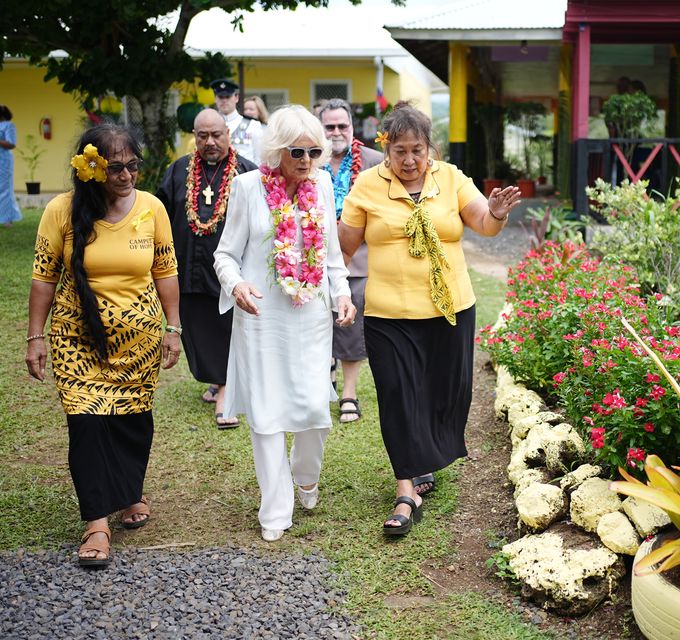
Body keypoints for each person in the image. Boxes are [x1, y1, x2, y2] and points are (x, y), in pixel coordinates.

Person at [338, 102, 521, 536]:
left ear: (429, 147)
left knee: (445, 392)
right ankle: (406, 490)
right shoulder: (367, 185)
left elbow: (483, 222)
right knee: (397, 394)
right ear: (386, 149)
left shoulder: (451, 177)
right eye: (399, 151)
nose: (408, 160)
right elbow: (343, 247)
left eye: (416, 150)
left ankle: (424, 459)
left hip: (449, 309)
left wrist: (495, 211)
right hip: (388, 313)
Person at [25, 124, 181, 567]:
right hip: (77, 338)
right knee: (87, 424)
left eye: (133, 165)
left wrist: (174, 328)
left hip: (139, 339)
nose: (126, 175)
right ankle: (96, 522)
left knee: (132, 421)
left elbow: (165, 272)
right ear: (91, 167)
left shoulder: (151, 208)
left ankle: (130, 492)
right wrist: (35, 337)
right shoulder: (61, 210)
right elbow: (43, 278)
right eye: (115, 167)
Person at [214, 105, 356, 542]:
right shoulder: (246, 187)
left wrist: (343, 295)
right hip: (260, 318)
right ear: (277, 150)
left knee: (316, 410)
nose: (308, 160)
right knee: (267, 413)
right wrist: (236, 285)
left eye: (316, 151)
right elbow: (224, 255)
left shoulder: (324, 188)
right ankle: (275, 508)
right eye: (299, 151)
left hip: (309, 317)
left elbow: (332, 259)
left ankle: (305, 474)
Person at [156, 109, 258, 428]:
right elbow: (160, 213)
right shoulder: (179, 171)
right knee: (198, 328)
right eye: (203, 136)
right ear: (195, 136)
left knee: (228, 328)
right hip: (189, 268)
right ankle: (218, 380)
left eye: (216, 135)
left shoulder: (247, 172)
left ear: (228, 133)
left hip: (231, 272)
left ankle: (226, 391)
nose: (210, 142)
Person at [318, 98, 383, 424]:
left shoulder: (374, 162)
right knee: (317, 319)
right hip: (312, 258)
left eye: (342, 126)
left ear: (352, 128)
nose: (336, 132)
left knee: (352, 324)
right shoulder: (307, 159)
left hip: (358, 257)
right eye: (329, 127)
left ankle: (350, 392)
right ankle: (322, 375)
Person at [211, 78, 262, 165]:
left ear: (236, 98)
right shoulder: (210, 125)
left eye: (228, 96)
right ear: (215, 98)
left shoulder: (252, 125)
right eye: (220, 97)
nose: (224, 100)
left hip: (245, 175)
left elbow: (259, 158)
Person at [0, 105, 23, 227]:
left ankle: (7, 220)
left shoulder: (9, 126)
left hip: (3, 162)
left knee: (4, 189)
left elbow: (11, 144)